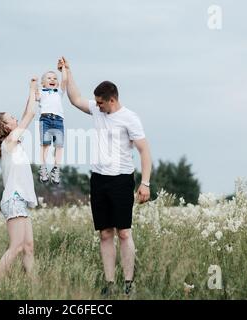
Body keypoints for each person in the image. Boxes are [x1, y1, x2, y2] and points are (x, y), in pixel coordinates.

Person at [60, 57, 152, 296]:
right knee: (105, 233)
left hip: (122, 179)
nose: (97, 106)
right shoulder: (97, 111)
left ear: (112, 100)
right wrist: (67, 72)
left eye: (101, 103)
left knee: (124, 232)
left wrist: (145, 183)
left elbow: (144, 150)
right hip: (99, 179)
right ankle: (110, 285)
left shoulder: (130, 118)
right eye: (97, 103)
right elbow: (75, 99)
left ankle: (129, 283)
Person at [0, 77, 39, 278]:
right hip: (14, 199)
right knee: (17, 247)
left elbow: (27, 111)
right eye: (12, 118)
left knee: (28, 247)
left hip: (18, 201)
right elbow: (30, 114)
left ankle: (35, 289)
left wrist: (33, 96)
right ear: (5, 126)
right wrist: (32, 88)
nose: (16, 119)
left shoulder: (13, 142)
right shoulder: (9, 142)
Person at [35, 66, 68, 185]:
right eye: (49, 78)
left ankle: (56, 168)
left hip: (58, 120)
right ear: (43, 83)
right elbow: (35, 96)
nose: (52, 80)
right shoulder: (40, 92)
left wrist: (63, 68)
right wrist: (34, 85)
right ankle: (43, 168)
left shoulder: (59, 92)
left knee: (59, 145)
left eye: (54, 78)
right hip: (46, 119)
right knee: (45, 145)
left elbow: (64, 80)